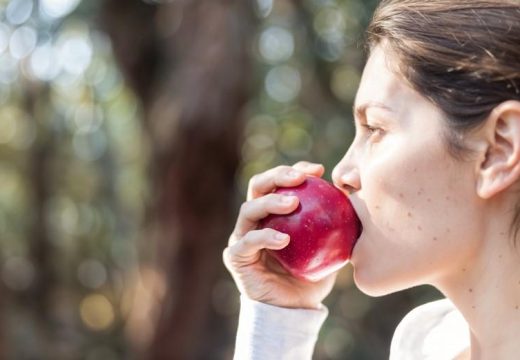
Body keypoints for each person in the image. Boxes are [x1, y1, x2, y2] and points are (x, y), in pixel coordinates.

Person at [223, 0, 520, 358]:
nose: (341, 173)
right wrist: (277, 323)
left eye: (375, 128)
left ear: (498, 151)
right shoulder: (424, 346)